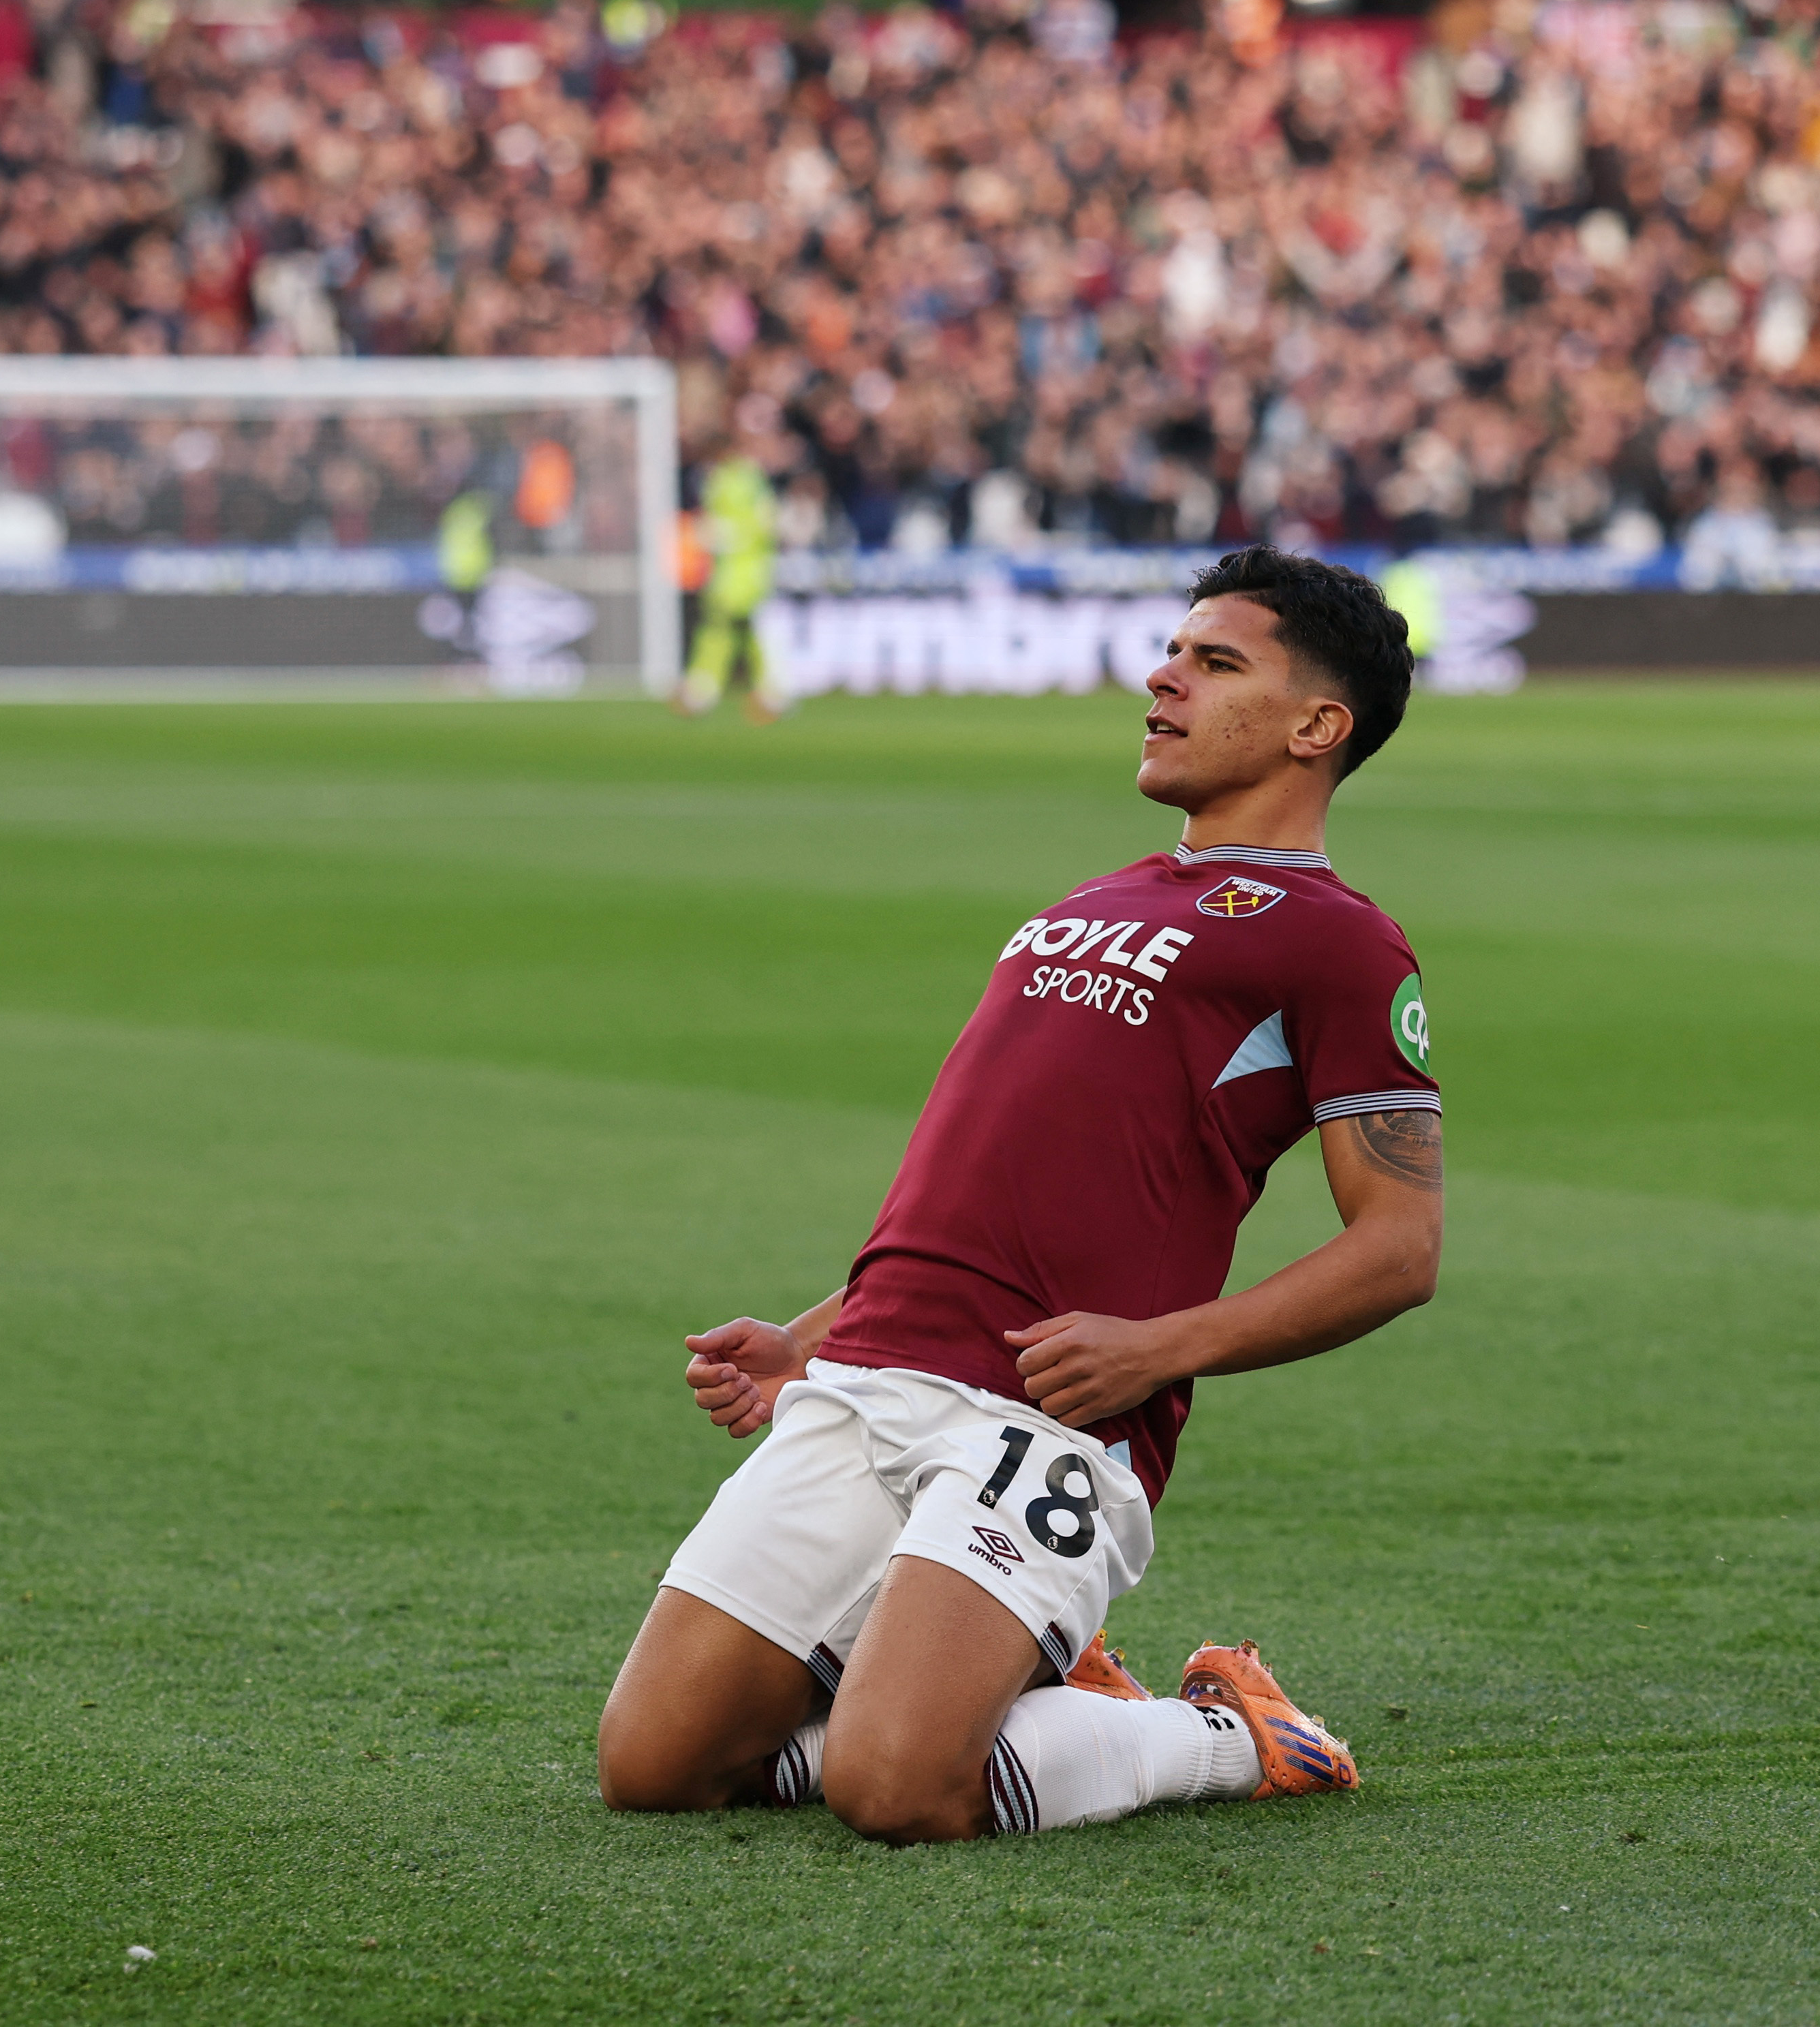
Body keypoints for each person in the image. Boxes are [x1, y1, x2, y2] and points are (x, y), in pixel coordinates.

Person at [601, 546, 1442, 1838]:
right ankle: (1023, 1689)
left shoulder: (1337, 940)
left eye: (1216, 663)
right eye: (1173, 650)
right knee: (653, 1767)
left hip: (1050, 1415)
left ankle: (1228, 1734)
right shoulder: (1092, 899)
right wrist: (806, 1338)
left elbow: (1398, 1247)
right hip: (869, 1373)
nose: (1163, 675)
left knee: (899, 1790)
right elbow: (984, 1182)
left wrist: (1159, 1352)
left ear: (1317, 725)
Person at [677, 443, 786, 720]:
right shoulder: (723, 480)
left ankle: (710, 686)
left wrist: (727, 535)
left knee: (736, 630)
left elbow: (765, 525)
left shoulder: (746, 481)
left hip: (747, 572)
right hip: (728, 573)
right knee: (733, 630)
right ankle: (762, 689)